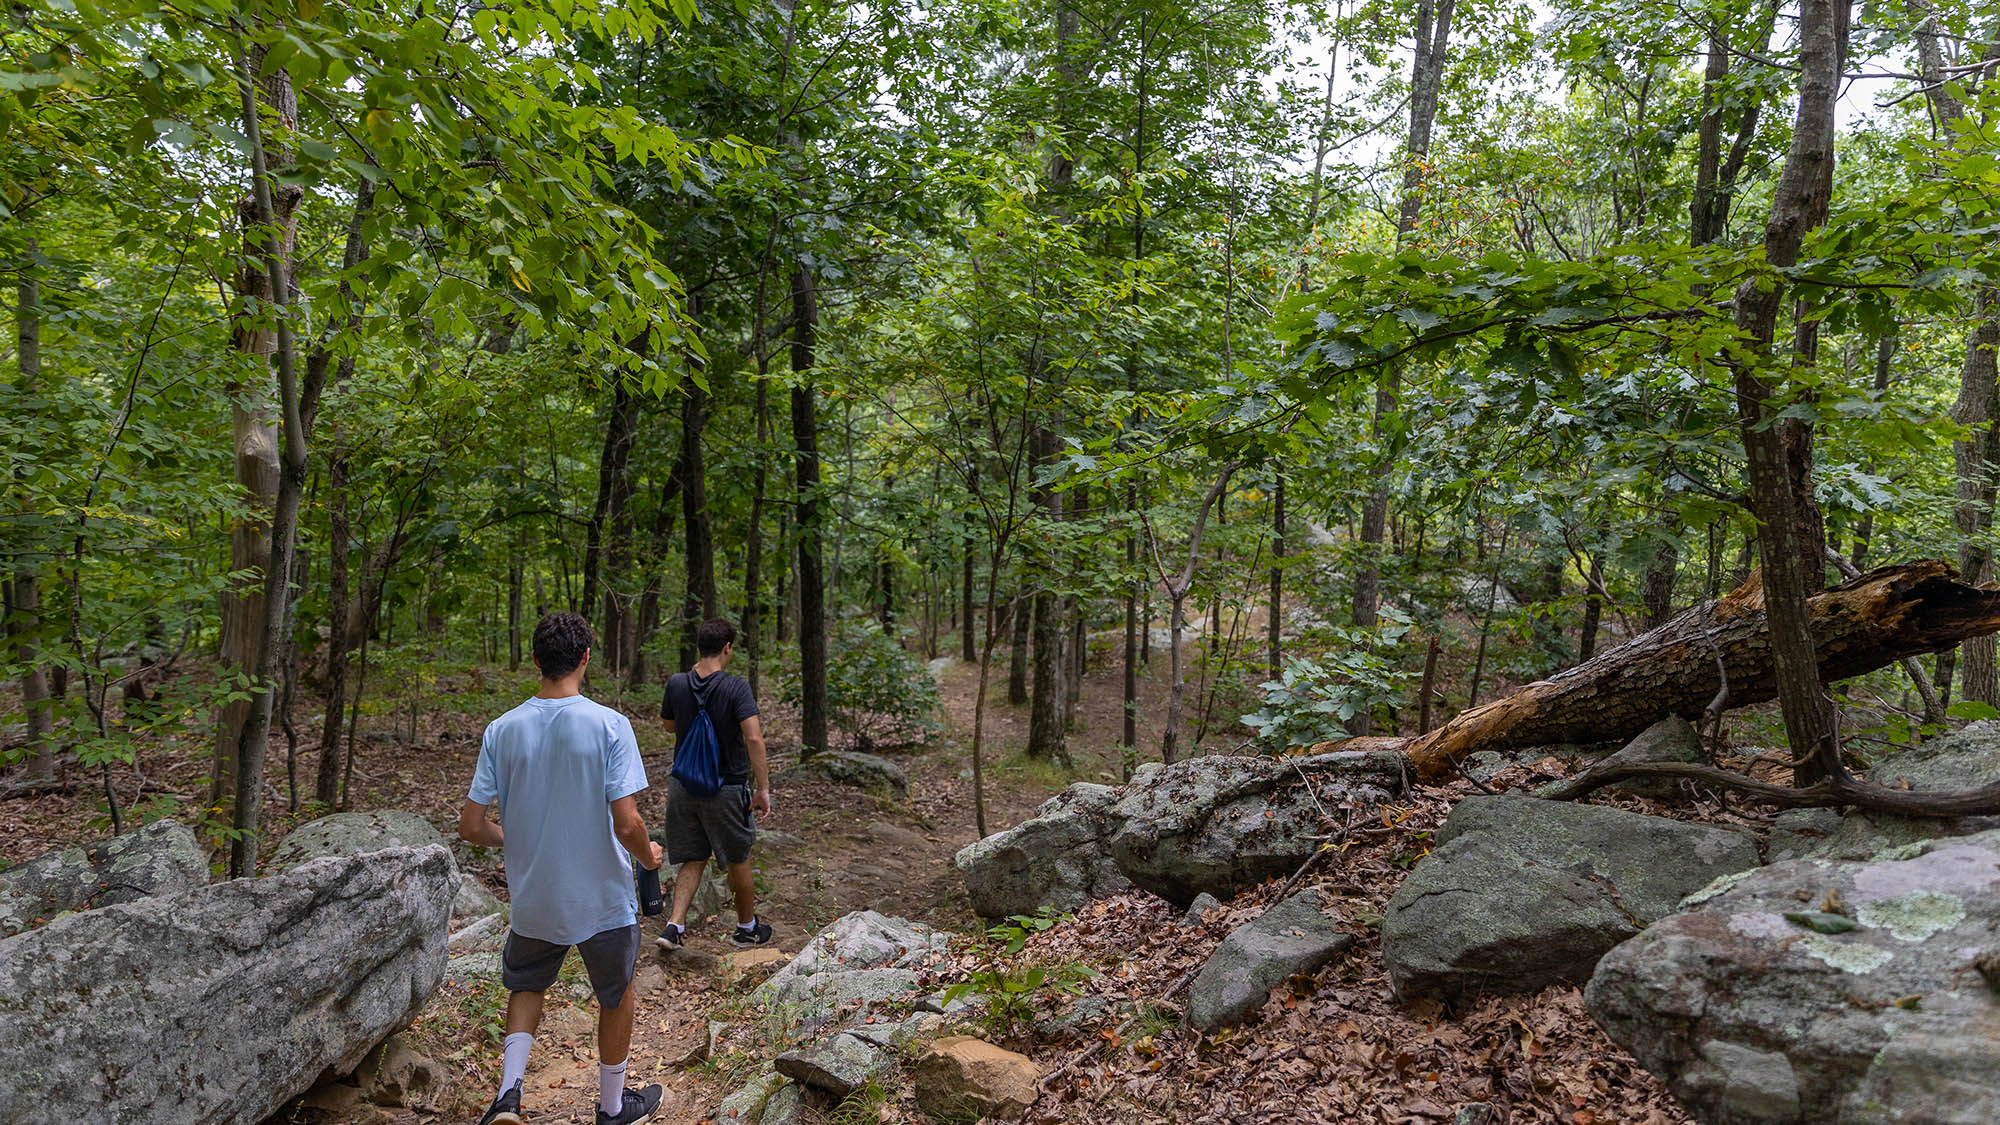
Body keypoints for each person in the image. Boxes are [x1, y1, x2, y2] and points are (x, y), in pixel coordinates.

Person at [459, 612, 665, 1125]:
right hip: (601, 896)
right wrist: (648, 856)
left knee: (526, 984)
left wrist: (510, 840)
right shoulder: (609, 725)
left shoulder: (502, 730)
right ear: (586, 659)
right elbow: (627, 822)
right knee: (616, 995)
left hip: (535, 894)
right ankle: (613, 1108)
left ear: (535, 661)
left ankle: (508, 1097)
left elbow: (470, 825)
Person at [657, 616, 773, 949]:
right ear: (726, 648)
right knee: (738, 856)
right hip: (725, 788)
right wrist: (763, 789)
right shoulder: (736, 687)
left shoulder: (677, 683)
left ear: (699, 647)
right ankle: (747, 928)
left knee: (694, 856)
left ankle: (674, 927)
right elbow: (754, 740)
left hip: (683, 786)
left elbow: (668, 726)